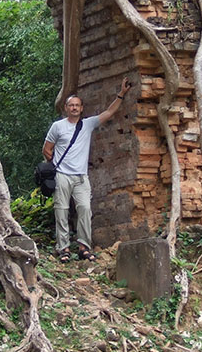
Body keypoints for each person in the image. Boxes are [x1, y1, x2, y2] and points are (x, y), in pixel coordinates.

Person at [42, 76, 134, 262]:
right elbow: (47, 149)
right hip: (62, 175)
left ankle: (84, 246)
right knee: (61, 210)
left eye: (77, 105)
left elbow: (109, 113)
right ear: (66, 108)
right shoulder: (57, 126)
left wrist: (121, 94)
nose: (74, 108)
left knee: (84, 209)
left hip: (81, 177)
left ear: (82, 108)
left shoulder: (87, 124)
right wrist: (56, 167)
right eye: (71, 105)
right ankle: (64, 248)